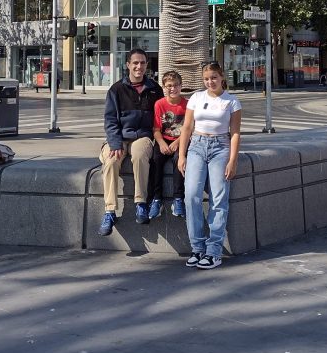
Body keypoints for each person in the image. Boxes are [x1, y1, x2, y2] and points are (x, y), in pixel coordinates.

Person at [178, 61, 242, 270]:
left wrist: (232, 160)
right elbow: (187, 127)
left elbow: (235, 133)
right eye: (206, 79)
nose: (210, 82)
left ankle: (213, 251)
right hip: (197, 146)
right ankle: (197, 247)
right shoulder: (196, 98)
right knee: (191, 196)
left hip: (220, 147)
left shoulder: (232, 101)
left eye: (214, 77)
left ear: (222, 77)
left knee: (218, 198)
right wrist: (182, 155)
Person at [97, 48, 163, 236]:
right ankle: (110, 211)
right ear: (128, 65)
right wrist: (115, 143)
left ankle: (141, 203)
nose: (138, 66)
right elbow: (110, 119)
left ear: (146, 65)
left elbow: (161, 117)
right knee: (111, 160)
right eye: (135, 63)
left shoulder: (155, 89)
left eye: (142, 63)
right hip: (119, 137)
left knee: (140, 155)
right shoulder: (116, 89)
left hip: (142, 136)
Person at [146, 70, 187, 220]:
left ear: (181, 86)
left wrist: (178, 142)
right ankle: (156, 199)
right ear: (164, 87)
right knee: (155, 160)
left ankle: (178, 198)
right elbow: (156, 129)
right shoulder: (160, 104)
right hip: (163, 139)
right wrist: (162, 143)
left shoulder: (187, 104)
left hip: (181, 139)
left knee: (179, 160)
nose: (173, 88)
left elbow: (189, 129)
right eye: (169, 86)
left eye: (176, 85)